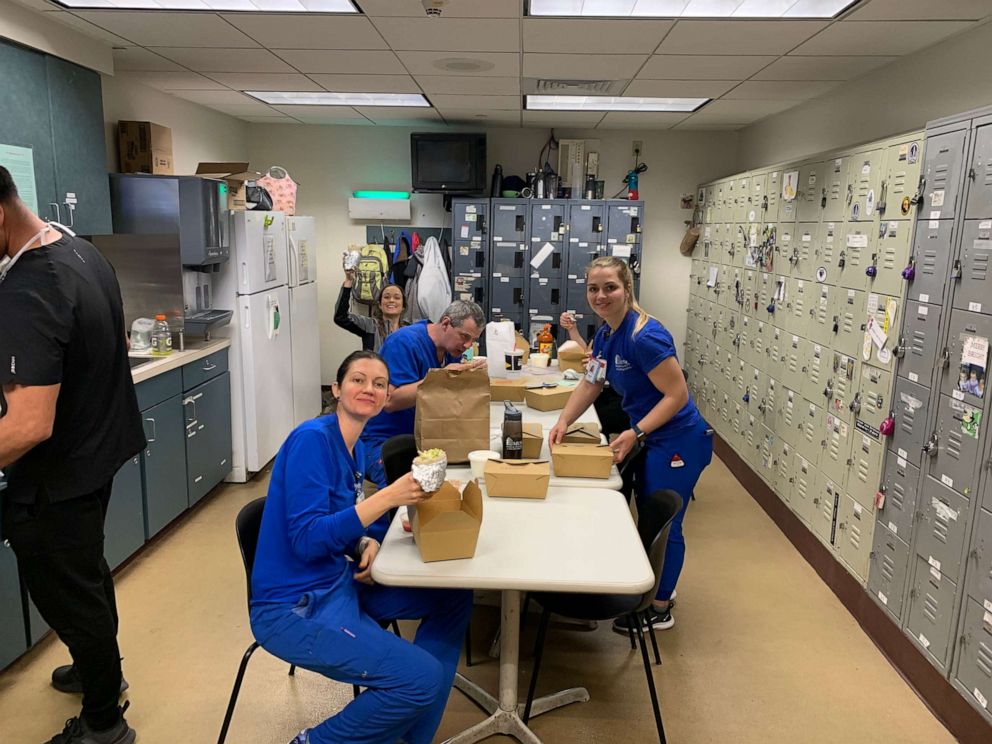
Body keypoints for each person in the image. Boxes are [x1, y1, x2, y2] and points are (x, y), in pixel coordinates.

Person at [250, 350, 473, 744]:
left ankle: (410, 738)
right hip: (294, 607)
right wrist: (386, 497)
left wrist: (362, 541)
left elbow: (332, 518)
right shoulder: (311, 440)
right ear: (337, 389)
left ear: (388, 397)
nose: (368, 388)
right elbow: (306, 538)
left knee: (454, 597)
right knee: (420, 680)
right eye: (358, 380)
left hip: (337, 583)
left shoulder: (356, 447)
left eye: (379, 383)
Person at [0, 166, 144, 744]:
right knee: (86, 573)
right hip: (98, 451)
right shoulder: (80, 252)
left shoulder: (29, 287)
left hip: (57, 475)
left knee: (67, 589)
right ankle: (97, 670)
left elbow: (29, 425)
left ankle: (104, 722)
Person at [549, 257, 712, 633]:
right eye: (593, 288)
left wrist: (637, 431)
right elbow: (591, 382)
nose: (601, 295)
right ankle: (649, 587)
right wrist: (563, 420)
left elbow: (676, 394)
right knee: (643, 514)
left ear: (627, 289)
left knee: (664, 523)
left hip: (679, 440)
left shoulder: (644, 335)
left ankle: (660, 606)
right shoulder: (606, 334)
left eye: (610, 287)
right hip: (651, 436)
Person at [359, 300, 486, 496]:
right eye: (464, 336)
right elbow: (390, 401)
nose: (468, 345)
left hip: (424, 437)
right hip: (383, 441)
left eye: (473, 340)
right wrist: (439, 377)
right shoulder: (404, 343)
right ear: (445, 324)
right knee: (403, 494)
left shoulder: (450, 350)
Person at [335, 252, 409, 351]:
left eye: (396, 297)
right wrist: (349, 280)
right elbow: (341, 317)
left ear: (403, 305)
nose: (391, 300)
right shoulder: (370, 325)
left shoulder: (409, 330)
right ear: (380, 305)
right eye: (386, 297)